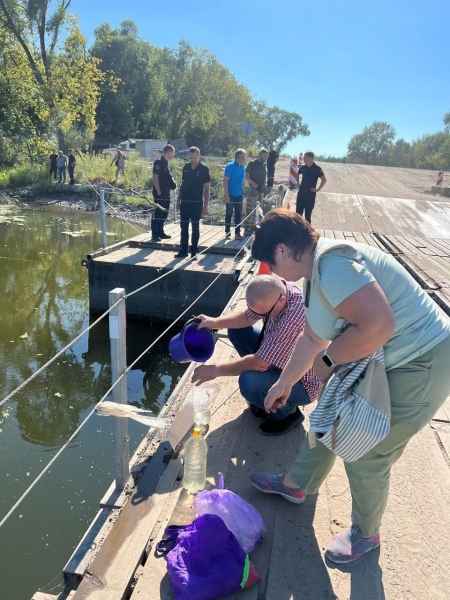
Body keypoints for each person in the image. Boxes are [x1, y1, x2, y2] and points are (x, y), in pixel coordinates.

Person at [249, 208, 450, 564]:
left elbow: (378, 325)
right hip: (383, 359)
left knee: (372, 452)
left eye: (269, 261)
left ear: (282, 249)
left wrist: (328, 362)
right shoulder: (315, 274)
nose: (271, 271)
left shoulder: (333, 265)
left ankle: (367, 534)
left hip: (420, 361)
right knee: (330, 414)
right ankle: (298, 485)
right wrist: (283, 383)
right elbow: (311, 338)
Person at [192, 274, 320, 435]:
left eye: (265, 314)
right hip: (280, 357)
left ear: (281, 300)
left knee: (248, 382)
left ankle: (288, 414)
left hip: (303, 384)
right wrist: (215, 322)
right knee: (237, 330)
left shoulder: (293, 318)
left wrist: (215, 370)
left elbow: (258, 362)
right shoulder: (278, 289)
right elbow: (247, 317)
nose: (261, 317)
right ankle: (264, 387)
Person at [175, 147, 210, 259]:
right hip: (185, 201)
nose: (193, 159)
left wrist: (205, 206)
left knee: (195, 227)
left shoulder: (204, 169)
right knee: (183, 227)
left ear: (199, 156)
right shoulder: (186, 167)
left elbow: (207, 189)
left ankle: (194, 251)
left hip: (196, 202)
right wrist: (178, 201)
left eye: (195, 157)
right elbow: (183, 185)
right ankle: (183, 250)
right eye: (191, 157)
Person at [151, 144, 177, 242]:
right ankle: (154, 234)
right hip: (160, 193)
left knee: (164, 214)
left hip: (166, 193)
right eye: (173, 153)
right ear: (169, 152)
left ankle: (161, 232)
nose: (173, 155)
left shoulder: (166, 163)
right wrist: (158, 191)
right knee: (158, 213)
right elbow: (155, 177)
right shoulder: (158, 162)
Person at [295, 151, 326, 224]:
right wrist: (298, 184)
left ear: (310, 158)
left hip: (310, 195)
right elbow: (297, 174)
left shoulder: (317, 169)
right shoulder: (303, 168)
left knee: (307, 216)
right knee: (298, 215)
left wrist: (317, 189)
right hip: (301, 193)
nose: (303, 159)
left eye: (305, 158)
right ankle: (297, 231)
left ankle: (307, 233)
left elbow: (324, 180)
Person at [223, 149, 246, 240]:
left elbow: (242, 181)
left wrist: (243, 191)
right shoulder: (230, 166)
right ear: (239, 157)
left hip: (239, 194)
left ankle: (237, 233)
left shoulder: (243, 167)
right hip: (230, 194)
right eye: (244, 156)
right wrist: (226, 195)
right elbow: (225, 181)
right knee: (229, 213)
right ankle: (227, 232)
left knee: (238, 214)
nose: (245, 158)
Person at [244, 149, 268, 235]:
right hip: (252, 191)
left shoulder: (264, 165)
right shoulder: (252, 164)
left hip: (260, 192)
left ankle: (255, 228)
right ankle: (247, 229)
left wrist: (264, 188)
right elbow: (245, 176)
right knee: (250, 210)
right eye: (265, 156)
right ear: (260, 155)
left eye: (267, 157)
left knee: (258, 211)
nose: (266, 158)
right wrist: (253, 183)